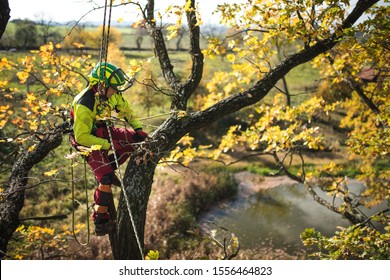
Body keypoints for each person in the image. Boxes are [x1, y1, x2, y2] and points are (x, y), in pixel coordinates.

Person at [70, 62, 148, 236]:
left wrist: (137, 129)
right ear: (101, 85)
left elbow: (126, 111)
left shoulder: (111, 94)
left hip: (104, 130)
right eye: (113, 88)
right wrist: (109, 145)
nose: (115, 91)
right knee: (105, 178)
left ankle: (109, 166)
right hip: (87, 140)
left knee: (135, 142)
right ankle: (100, 219)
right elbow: (82, 137)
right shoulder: (85, 102)